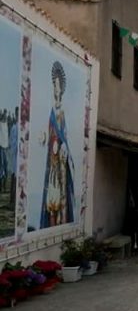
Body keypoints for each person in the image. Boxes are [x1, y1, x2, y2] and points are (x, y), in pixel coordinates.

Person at [40, 62, 75, 228]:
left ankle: (61, 223)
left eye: (58, 86)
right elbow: (48, 131)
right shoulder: (51, 110)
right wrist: (43, 137)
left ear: (62, 90)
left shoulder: (62, 111)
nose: (55, 89)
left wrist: (64, 147)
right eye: (54, 85)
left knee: (61, 194)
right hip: (51, 157)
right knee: (51, 199)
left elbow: (65, 134)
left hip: (60, 157)